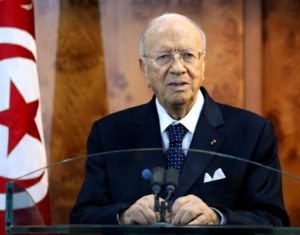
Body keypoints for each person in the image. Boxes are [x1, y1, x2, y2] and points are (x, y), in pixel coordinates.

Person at [70, 13, 289, 226]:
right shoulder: (108, 133)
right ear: (143, 68)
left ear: (203, 63)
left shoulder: (252, 133)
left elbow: (272, 220)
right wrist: (124, 216)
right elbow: (83, 216)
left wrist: (217, 218)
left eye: (188, 55)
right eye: (163, 57)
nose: (177, 68)